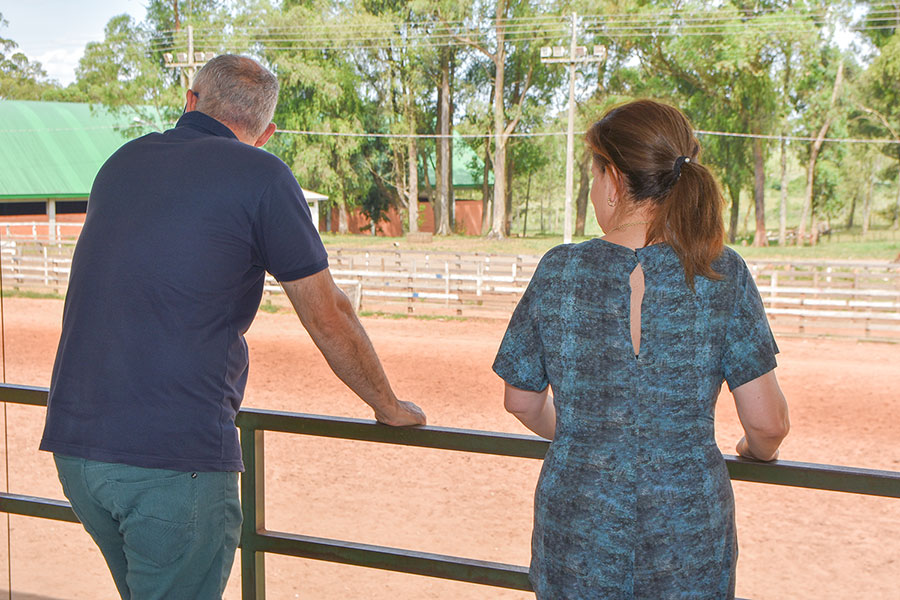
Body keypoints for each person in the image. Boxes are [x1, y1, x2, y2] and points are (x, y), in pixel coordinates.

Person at [39, 54, 425, 600]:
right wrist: (388, 405)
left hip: (77, 451)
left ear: (190, 101)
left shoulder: (121, 161)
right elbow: (326, 313)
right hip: (173, 460)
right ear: (265, 133)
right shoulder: (261, 174)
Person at [492, 99, 789, 599]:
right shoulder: (722, 272)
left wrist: (589, 438)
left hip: (577, 532)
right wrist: (751, 450)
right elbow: (768, 424)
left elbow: (520, 399)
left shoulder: (559, 271)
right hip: (688, 539)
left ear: (612, 178)